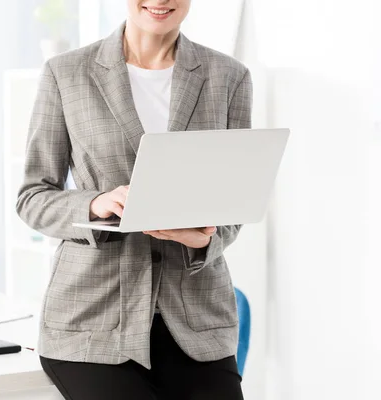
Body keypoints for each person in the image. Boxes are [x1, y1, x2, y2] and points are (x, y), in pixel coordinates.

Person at [16, 0, 251, 398]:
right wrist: (95, 204)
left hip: (196, 323)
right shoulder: (67, 73)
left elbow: (235, 197)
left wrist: (205, 239)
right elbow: (33, 196)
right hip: (92, 322)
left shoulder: (228, 76)